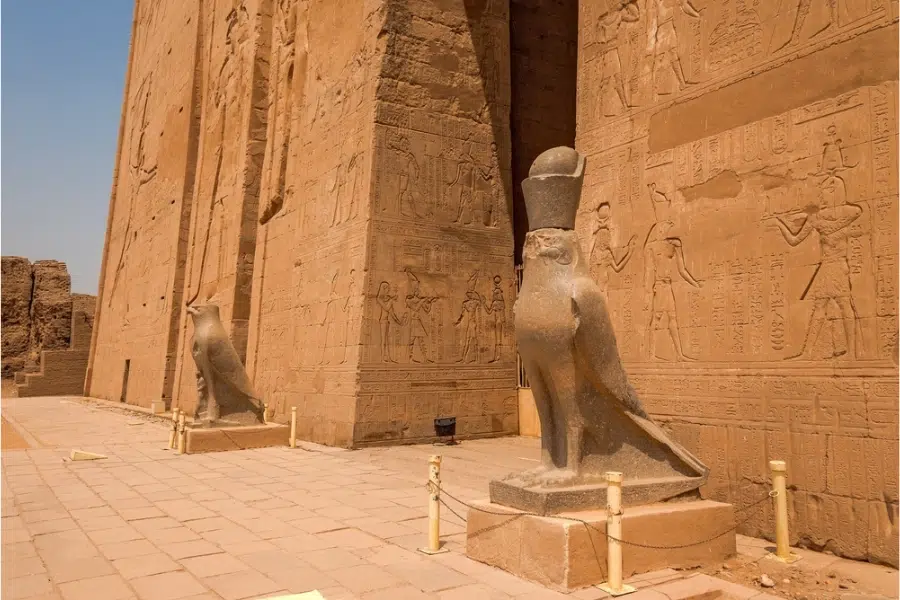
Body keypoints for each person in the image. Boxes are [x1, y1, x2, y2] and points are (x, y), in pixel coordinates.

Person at [773, 175, 862, 359]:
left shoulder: (844, 213)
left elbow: (857, 215)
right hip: (827, 267)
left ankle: (852, 352)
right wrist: (780, 225)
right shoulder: (817, 219)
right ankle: (808, 352)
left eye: (825, 193)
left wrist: (834, 229)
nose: (822, 198)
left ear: (836, 193)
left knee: (844, 305)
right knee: (821, 307)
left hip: (838, 265)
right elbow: (795, 240)